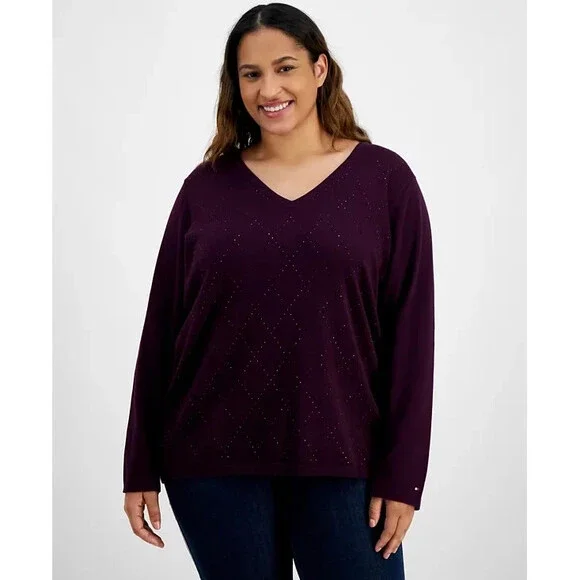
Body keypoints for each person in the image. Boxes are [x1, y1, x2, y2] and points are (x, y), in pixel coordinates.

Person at [122, 3, 435, 579]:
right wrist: (138, 462)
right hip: (211, 463)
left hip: (346, 461)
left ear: (320, 69)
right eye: (251, 74)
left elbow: (412, 338)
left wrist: (404, 474)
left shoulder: (385, 181)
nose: (269, 89)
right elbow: (162, 327)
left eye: (285, 67)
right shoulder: (205, 188)